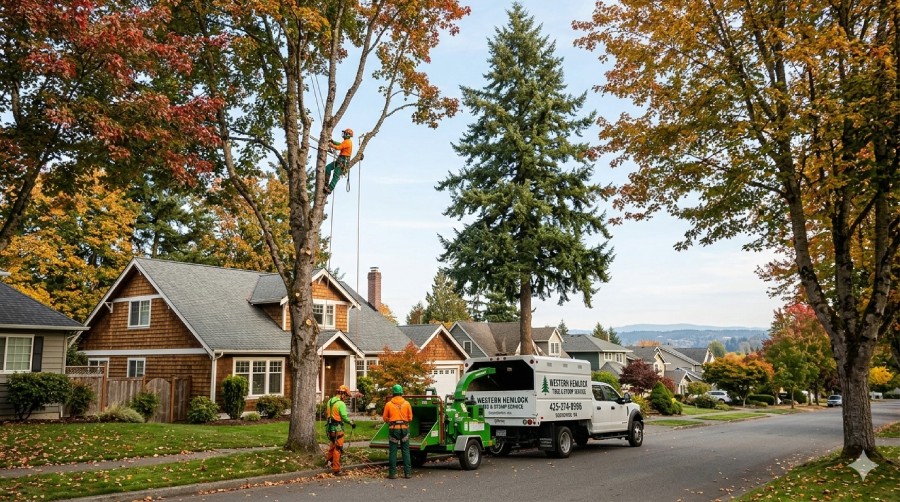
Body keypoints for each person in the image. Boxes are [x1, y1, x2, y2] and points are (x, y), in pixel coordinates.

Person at [382, 383, 413, 479]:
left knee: (393, 452)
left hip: (393, 430)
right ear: (401, 393)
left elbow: (384, 418)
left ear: (393, 393)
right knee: (406, 451)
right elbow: (410, 418)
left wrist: (391, 421)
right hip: (404, 429)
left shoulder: (388, 404)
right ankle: (407, 473)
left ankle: (393, 474)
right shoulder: (407, 404)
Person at [325, 384, 355, 476]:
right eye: (346, 396)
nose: (345, 398)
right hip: (338, 428)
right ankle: (336, 469)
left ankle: (328, 463)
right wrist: (351, 423)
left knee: (333, 445)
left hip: (330, 428)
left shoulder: (330, 401)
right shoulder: (341, 404)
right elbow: (344, 417)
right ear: (343, 394)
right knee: (338, 448)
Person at [324, 128, 353, 195]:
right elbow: (339, 144)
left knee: (336, 175)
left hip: (343, 161)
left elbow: (338, 147)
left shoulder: (348, 142)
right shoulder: (345, 141)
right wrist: (333, 141)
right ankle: (326, 183)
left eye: (345, 133)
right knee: (328, 168)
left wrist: (331, 145)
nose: (343, 135)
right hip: (340, 159)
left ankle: (329, 189)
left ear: (348, 134)